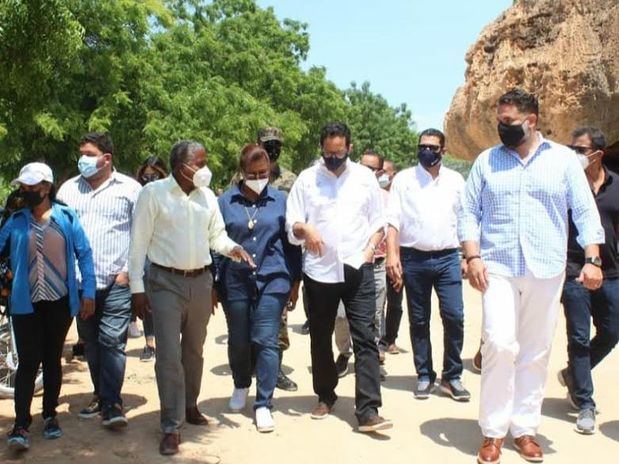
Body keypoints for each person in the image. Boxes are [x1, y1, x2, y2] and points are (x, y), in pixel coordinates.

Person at [459, 89, 604, 464]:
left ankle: (524, 428)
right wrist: (472, 254)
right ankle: (493, 431)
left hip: (546, 265)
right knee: (500, 343)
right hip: (498, 265)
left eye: (508, 122)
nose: (501, 128)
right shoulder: (487, 161)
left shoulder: (563, 161)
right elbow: (468, 212)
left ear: (532, 121)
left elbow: (585, 211)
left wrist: (593, 259)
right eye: (499, 121)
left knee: (536, 349)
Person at [129, 140, 255, 455]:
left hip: (200, 281)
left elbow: (216, 235)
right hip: (164, 282)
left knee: (194, 352)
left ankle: (189, 405)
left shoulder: (207, 197)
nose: (204, 169)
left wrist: (232, 248)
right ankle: (171, 425)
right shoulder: (153, 194)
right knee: (169, 356)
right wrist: (136, 288)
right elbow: (138, 243)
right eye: (199, 163)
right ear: (181, 166)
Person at [286, 122, 392, 432]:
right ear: (321, 149)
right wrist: (306, 229)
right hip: (319, 272)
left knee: (366, 337)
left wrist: (371, 248)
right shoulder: (307, 180)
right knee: (320, 337)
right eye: (329, 153)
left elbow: (378, 222)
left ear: (349, 148)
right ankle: (325, 395)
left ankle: (368, 409)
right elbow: (292, 224)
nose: (334, 158)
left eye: (340, 152)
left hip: (357, 268)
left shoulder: (363, 179)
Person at [1, 162, 95, 451]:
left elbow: (84, 254)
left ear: (46, 187)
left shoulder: (66, 218)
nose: (25, 191)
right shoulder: (16, 221)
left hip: (58, 302)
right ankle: (20, 424)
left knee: (53, 359)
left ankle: (50, 415)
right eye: (23, 187)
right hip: (24, 304)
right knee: (28, 362)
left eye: (31, 187)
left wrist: (88, 292)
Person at [215, 144, 301, 432]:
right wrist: (215, 281)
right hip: (235, 279)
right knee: (239, 338)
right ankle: (241, 384)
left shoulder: (281, 200)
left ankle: (264, 403)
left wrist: (295, 281)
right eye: (252, 173)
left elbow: (292, 244)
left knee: (266, 338)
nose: (258, 177)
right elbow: (215, 242)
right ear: (242, 172)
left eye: (264, 173)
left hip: (273, 277)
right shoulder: (225, 202)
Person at [58, 132, 141, 429]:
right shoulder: (68, 190)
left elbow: (141, 235)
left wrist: (129, 273)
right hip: (80, 284)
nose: (83, 158)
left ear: (106, 158)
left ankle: (113, 402)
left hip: (117, 279)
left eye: (89, 153)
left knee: (112, 341)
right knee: (91, 343)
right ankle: (100, 394)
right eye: (81, 152)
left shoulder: (131, 189)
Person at [386, 129, 469, 402]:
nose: (427, 151)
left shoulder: (456, 181)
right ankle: (424, 374)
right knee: (419, 320)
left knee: (454, 317)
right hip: (414, 258)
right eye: (423, 146)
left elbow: (466, 219)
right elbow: (393, 221)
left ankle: (452, 376)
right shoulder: (404, 180)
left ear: (443, 151)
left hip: (448, 258)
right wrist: (392, 256)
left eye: (433, 147)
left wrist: (469, 256)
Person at [557, 127, 619, 435]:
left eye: (579, 149)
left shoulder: (617, 186)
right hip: (572, 269)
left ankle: (572, 375)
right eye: (570, 147)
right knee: (578, 337)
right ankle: (584, 403)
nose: (573, 154)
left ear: (597, 154)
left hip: (610, 272)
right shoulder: (565, 185)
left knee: (612, 331)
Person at [334, 149, 390, 378]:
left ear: (379, 172)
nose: (366, 172)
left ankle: (369, 357)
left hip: (376, 264)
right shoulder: (345, 191)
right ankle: (344, 353)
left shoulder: (386, 197)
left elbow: (391, 228)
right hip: (346, 264)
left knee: (375, 315)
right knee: (341, 315)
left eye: (372, 169)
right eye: (363, 166)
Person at [257, 127, 299, 392]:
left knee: (279, 320)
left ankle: (276, 370)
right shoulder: (243, 175)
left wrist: (296, 273)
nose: (273, 149)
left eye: (277, 145)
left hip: (279, 263)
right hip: (249, 261)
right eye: (268, 144)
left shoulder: (290, 180)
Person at [133, 155, 169, 362]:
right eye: (145, 176)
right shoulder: (137, 193)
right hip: (145, 251)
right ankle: (150, 342)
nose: (149, 180)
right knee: (146, 297)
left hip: (166, 251)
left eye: (153, 176)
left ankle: (168, 339)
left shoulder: (170, 193)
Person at [380, 159, 404, 355]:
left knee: (395, 301)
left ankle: (390, 339)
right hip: (376, 257)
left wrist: (397, 257)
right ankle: (378, 341)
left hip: (396, 257)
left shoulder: (398, 198)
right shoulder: (374, 196)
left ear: (393, 174)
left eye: (386, 172)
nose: (382, 175)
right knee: (377, 303)